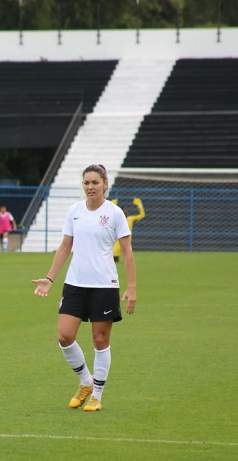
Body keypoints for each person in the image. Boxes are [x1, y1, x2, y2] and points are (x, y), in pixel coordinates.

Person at [31, 164, 136, 412]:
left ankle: (97, 395)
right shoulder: (74, 211)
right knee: (64, 336)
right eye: (86, 183)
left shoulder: (115, 213)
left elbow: (128, 252)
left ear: (105, 184)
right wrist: (49, 278)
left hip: (104, 285)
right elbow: (65, 246)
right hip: (75, 284)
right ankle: (85, 382)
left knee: (100, 340)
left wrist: (131, 287)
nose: (90, 187)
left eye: (95, 183)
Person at [112, 197, 144, 263]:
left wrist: (139, 205)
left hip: (127, 239)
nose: (125, 213)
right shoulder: (117, 218)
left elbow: (142, 215)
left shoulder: (130, 219)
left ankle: (126, 261)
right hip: (118, 239)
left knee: (126, 252)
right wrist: (111, 205)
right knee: (115, 253)